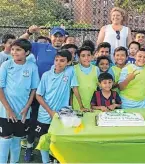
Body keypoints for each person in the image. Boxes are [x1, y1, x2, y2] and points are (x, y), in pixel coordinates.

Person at [21, 25, 67, 162]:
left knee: (55, 126)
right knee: (34, 122)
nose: (58, 38)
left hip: (57, 96)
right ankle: (29, 148)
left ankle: (53, 154)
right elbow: (19, 43)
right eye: (55, 36)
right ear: (50, 36)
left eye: (60, 36)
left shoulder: (66, 52)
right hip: (38, 93)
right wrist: (29, 32)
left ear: (64, 38)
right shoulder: (40, 47)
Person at [31, 50, 85, 163]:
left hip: (63, 114)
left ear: (68, 62)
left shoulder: (70, 72)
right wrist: (50, 111)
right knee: (44, 139)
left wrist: (81, 106)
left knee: (59, 139)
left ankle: (56, 159)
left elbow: (75, 89)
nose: (58, 63)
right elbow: (38, 95)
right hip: (45, 114)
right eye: (56, 60)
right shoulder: (46, 75)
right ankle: (46, 161)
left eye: (62, 61)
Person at [0, 39, 39, 163]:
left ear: (27, 52)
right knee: (5, 139)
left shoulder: (32, 67)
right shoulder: (6, 65)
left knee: (16, 140)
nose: (14, 52)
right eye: (12, 49)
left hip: (22, 112)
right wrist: (8, 109)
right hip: (5, 111)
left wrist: (27, 107)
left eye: (18, 50)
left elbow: (34, 89)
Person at [72, 46, 100, 111]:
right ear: (79, 58)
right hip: (78, 105)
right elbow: (74, 89)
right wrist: (81, 106)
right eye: (83, 56)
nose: (86, 58)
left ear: (92, 56)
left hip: (93, 105)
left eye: (88, 55)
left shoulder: (96, 69)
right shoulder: (74, 69)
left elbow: (99, 86)